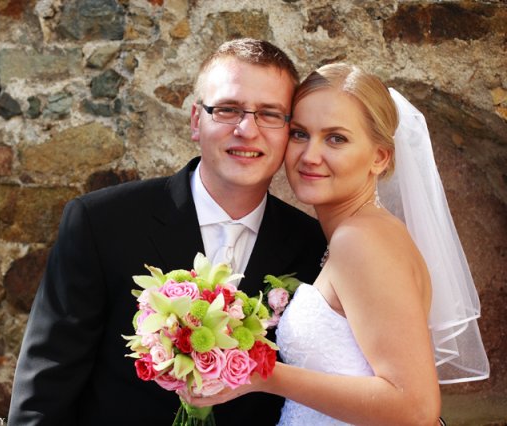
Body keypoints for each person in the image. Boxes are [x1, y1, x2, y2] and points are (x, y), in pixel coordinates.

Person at [7, 38, 326, 425]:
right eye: (228, 109)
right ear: (195, 120)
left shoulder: (313, 246)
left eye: (270, 114)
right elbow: (44, 391)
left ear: (289, 131)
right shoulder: (100, 223)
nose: (247, 129)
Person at [180, 63, 490, 425]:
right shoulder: (348, 235)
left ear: (380, 157)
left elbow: (415, 409)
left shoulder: (363, 242)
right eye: (300, 134)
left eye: (336, 139)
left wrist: (261, 374)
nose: (310, 156)